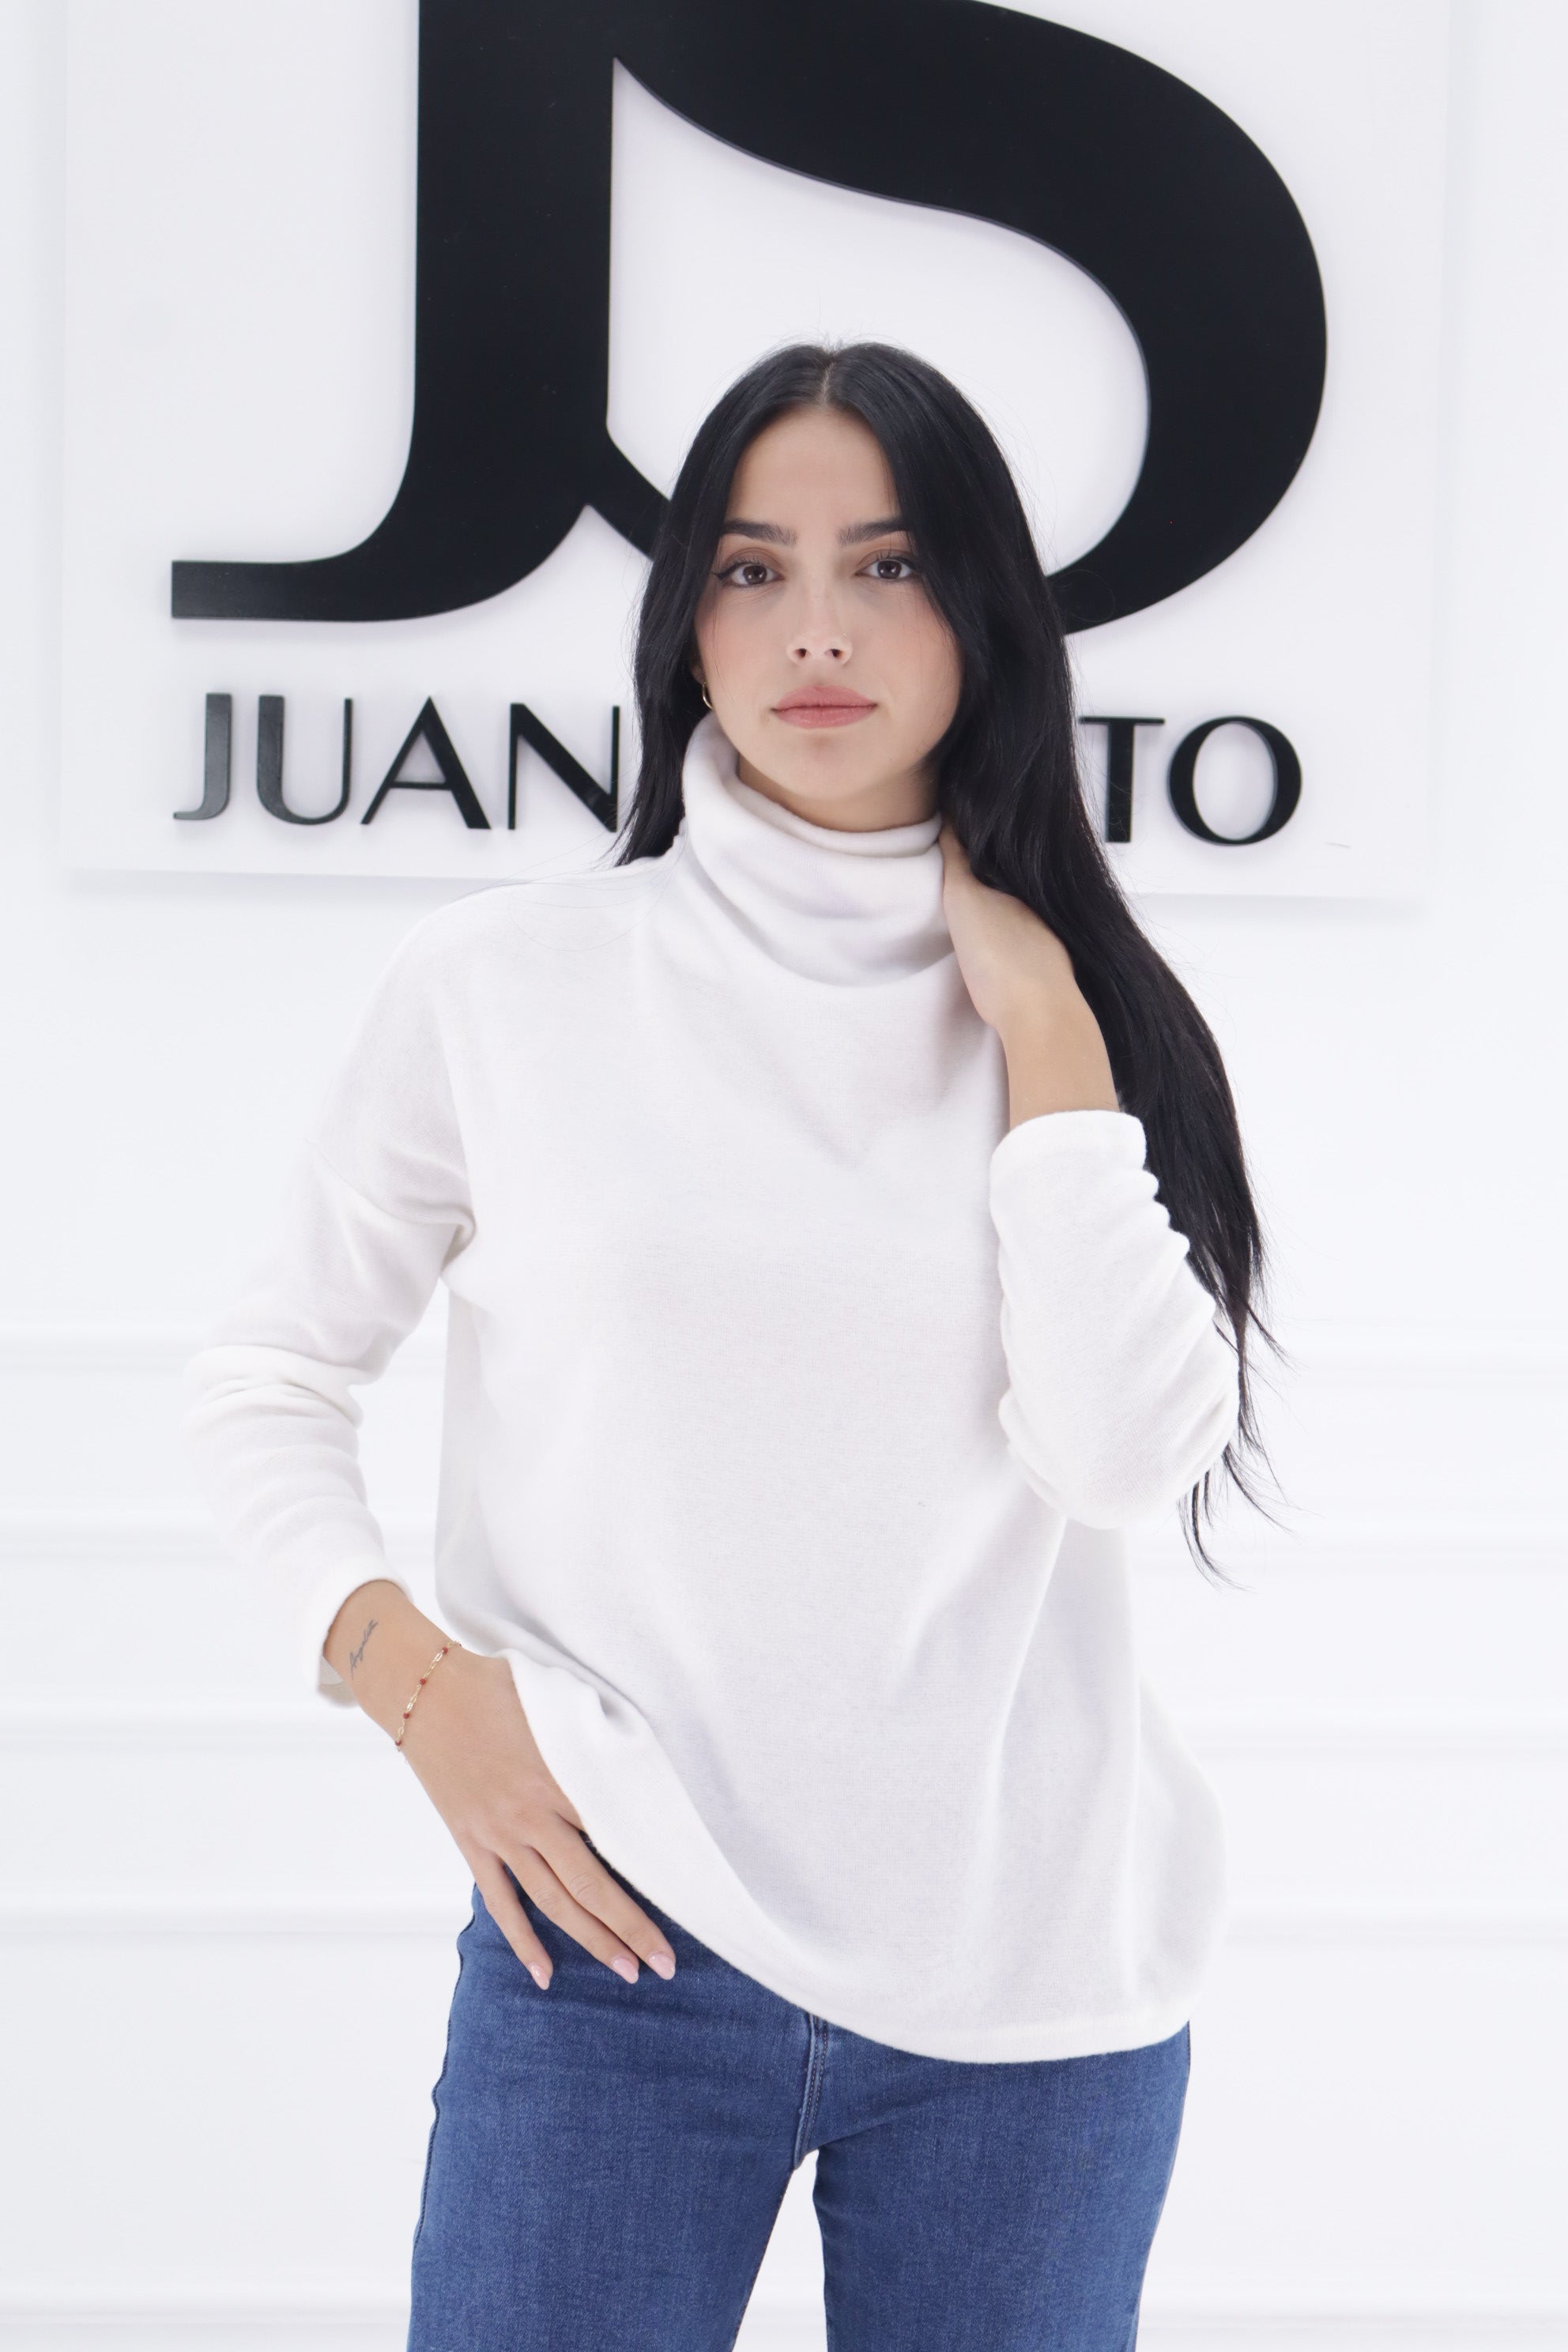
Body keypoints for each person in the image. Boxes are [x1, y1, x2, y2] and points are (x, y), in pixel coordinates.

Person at [185, 341, 1268, 2350]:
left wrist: (1043, 1035)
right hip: (605, 1946)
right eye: (753, 571)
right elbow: (271, 1377)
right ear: (688, 621)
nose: (816, 632)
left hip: (1036, 1998)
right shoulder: (503, 986)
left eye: (887, 566)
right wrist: (418, 1688)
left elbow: (1120, 1459)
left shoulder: (1081, 1015)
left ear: (981, 613)